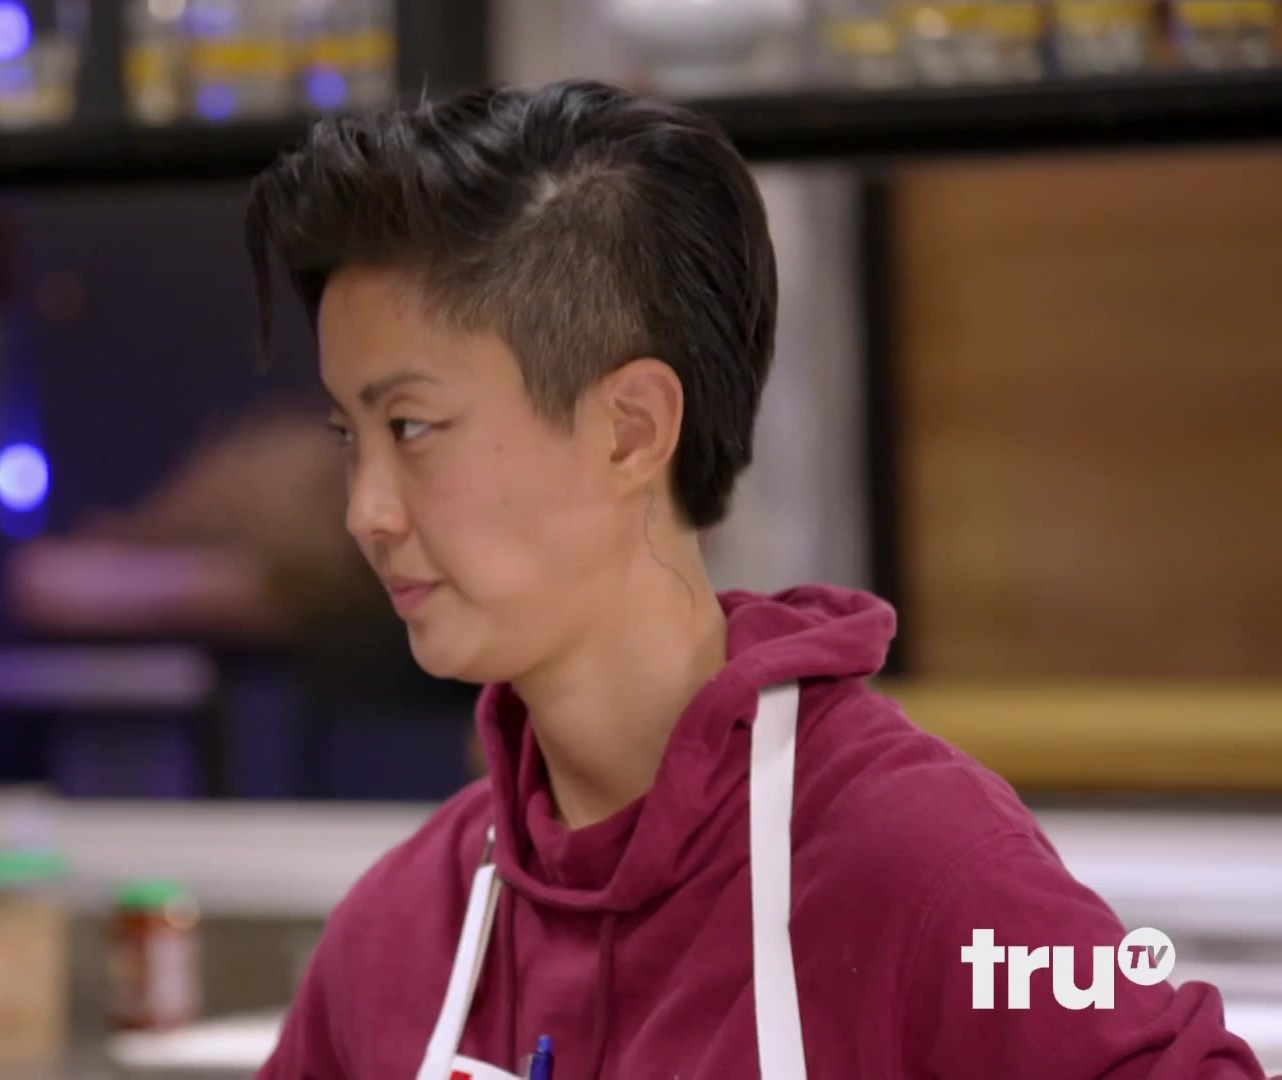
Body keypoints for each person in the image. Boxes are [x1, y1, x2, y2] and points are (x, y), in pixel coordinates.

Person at [244, 80, 1268, 1079]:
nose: (366, 510)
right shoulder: (397, 935)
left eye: (412, 427)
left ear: (630, 430)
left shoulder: (918, 866)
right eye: (349, 436)